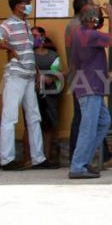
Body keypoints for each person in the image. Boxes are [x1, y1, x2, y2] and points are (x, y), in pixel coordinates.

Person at [0, 0, 58, 170]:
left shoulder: (26, 24)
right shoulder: (7, 24)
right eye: (26, 3)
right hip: (15, 75)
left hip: (28, 76)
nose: (28, 6)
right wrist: (11, 48)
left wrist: (37, 70)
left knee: (34, 117)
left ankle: (38, 158)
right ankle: (6, 159)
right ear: (17, 6)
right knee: (10, 118)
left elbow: (29, 51)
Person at [68, 4, 112, 179]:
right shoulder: (90, 35)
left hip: (88, 85)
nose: (100, 20)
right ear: (93, 20)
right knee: (88, 127)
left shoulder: (78, 35)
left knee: (103, 121)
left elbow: (79, 62)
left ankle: (84, 161)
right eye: (99, 17)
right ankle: (77, 166)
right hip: (91, 87)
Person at [32, 26, 62, 163]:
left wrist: (47, 78)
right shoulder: (29, 55)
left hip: (50, 95)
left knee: (49, 126)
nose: (33, 38)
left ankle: (47, 157)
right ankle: (29, 158)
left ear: (43, 37)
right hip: (32, 94)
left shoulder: (53, 55)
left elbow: (57, 73)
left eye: (35, 35)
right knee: (32, 125)